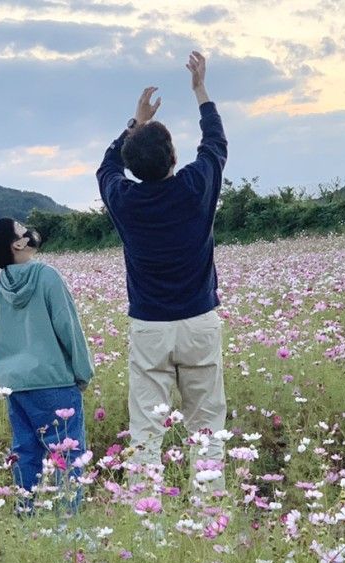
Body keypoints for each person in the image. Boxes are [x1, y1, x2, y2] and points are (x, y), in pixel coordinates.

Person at [96, 51, 228, 492]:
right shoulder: (194, 186)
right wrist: (200, 90)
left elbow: (106, 167)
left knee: (147, 431)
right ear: (174, 156)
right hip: (198, 321)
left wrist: (133, 124)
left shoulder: (124, 200)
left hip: (149, 326)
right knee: (206, 424)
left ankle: (145, 518)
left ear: (134, 168)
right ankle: (210, 516)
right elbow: (215, 145)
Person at [0, 218, 94, 513]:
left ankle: (25, 514)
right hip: (53, 380)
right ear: (18, 244)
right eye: (22, 229)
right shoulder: (47, 276)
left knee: (25, 453)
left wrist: (5, 377)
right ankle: (67, 521)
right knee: (67, 453)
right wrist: (82, 372)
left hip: (14, 385)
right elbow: (68, 327)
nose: (28, 231)